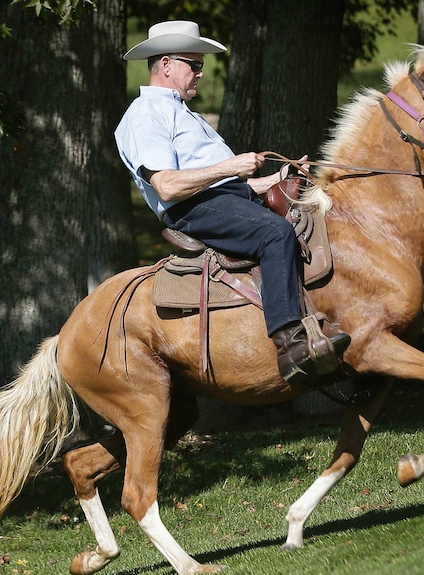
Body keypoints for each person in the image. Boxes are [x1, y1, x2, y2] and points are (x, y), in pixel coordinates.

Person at [114, 20, 349, 383]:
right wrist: (231, 165)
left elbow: (226, 185)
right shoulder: (145, 114)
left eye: (200, 65)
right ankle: (291, 343)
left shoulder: (183, 112)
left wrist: (277, 179)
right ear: (166, 65)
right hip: (189, 209)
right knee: (275, 233)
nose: (200, 74)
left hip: (219, 200)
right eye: (194, 65)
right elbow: (167, 185)